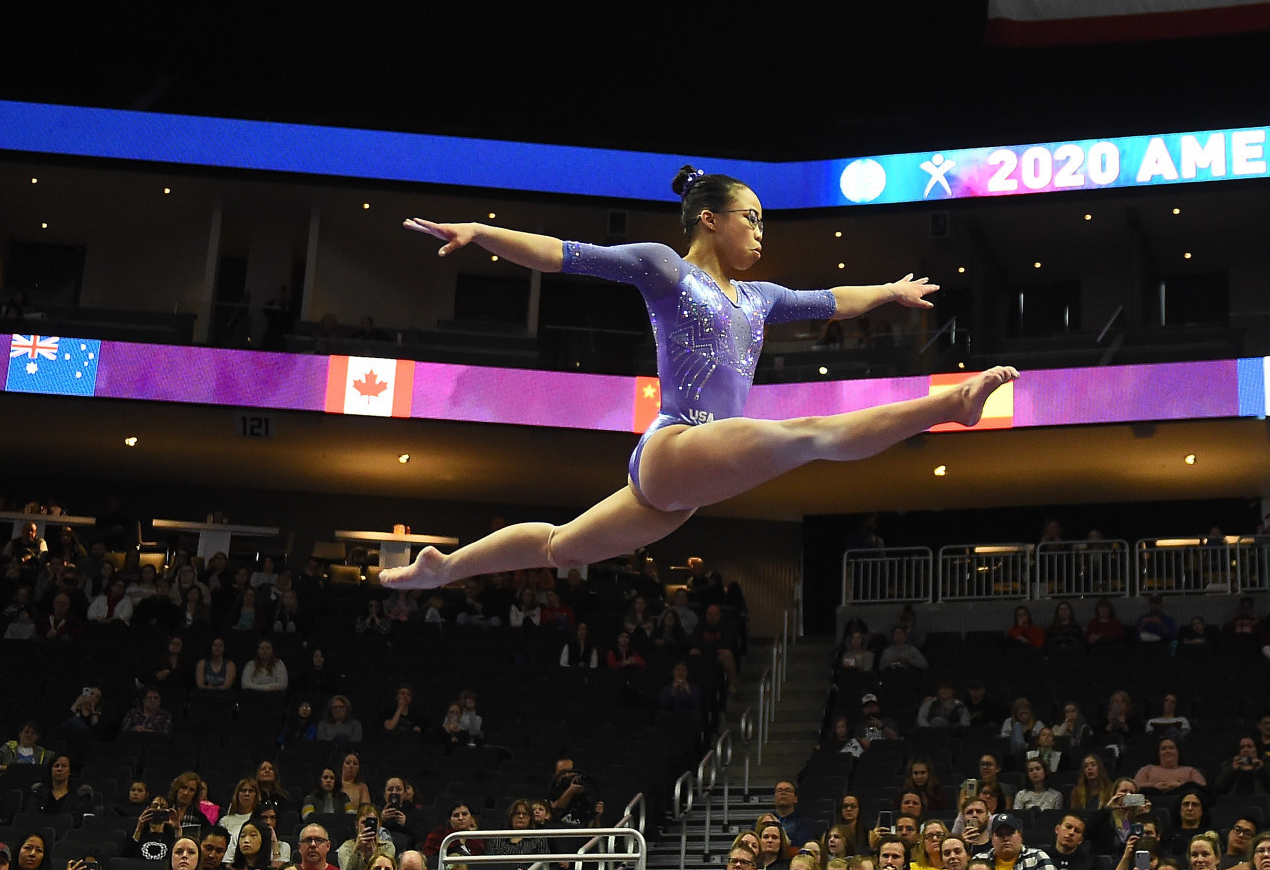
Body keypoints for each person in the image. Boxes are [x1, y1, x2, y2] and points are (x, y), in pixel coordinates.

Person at [383, 181, 1017, 584]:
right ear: (709, 219)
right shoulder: (666, 269)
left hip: (682, 487)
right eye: (752, 217)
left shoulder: (762, 297)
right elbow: (562, 253)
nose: (762, 231)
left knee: (561, 547)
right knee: (808, 436)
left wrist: (890, 292)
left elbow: (834, 301)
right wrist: (481, 232)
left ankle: (445, 569)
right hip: (679, 442)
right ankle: (950, 404)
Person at [986, 811, 1063, 870]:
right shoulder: (981, 860)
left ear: (1020, 835)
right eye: (1000, 835)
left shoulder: (1037, 858)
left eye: (1010, 833)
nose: (1005, 838)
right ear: (992, 839)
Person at [1133, 737, 1207, 791]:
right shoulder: (1147, 769)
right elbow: (1133, 788)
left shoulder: (1190, 770)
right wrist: (1154, 785)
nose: (1167, 751)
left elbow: (1203, 788)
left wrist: (1181, 785)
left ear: (1178, 752)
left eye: (1171, 748)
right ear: (1158, 753)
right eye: (1163, 749)